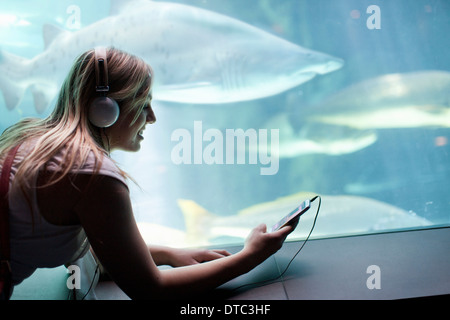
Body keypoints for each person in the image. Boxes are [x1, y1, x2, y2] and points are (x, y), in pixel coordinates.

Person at [0, 47, 296, 300]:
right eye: (143, 104)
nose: (152, 117)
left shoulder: (28, 137)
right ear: (105, 110)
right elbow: (151, 290)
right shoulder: (93, 175)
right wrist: (251, 257)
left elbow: (103, 247)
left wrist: (168, 255)